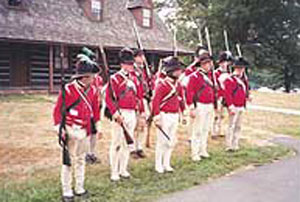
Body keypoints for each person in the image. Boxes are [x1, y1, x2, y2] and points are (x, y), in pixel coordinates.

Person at [53, 55, 100, 202]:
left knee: (80, 160)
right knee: (68, 162)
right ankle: (67, 191)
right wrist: (59, 128)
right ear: (84, 76)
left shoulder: (92, 90)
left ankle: (79, 188)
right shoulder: (68, 89)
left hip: (85, 129)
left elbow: (95, 110)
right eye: (92, 75)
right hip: (70, 128)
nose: (94, 78)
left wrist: (97, 127)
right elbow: (57, 110)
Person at [105, 47, 145, 181]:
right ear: (122, 64)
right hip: (119, 113)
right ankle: (114, 171)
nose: (131, 66)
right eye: (128, 64)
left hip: (132, 113)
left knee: (128, 143)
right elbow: (109, 98)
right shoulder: (115, 78)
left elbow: (140, 96)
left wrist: (142, 113)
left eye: (131, 63)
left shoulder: (136, 78)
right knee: (116, 143)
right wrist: (115, 113)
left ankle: (123, 169)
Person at [152, 56, 185, 173]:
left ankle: (167, 163)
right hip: (164, 115)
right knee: (162, 141)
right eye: (177, 70)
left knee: (171, 140)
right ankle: (158, 164)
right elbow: (155, 101)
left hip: (174, 115)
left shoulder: (178, 85)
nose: (179, 72)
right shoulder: (162, 84)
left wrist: (183, 113)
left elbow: (181, 100)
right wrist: (156, 116)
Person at [186, 54, 215, 162]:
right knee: (197, 130)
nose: (208, 65)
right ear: (201, 64)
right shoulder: (194, 76)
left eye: (209, 63)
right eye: (205, 63)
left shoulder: (211, 77)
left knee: (206, 129)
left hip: (209, 104)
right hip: (199, 105)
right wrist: (191, 107)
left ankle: (203, 149)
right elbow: (189, 92)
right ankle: (195, 153)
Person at [223, 57, 250, 151]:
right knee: (231, 126)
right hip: (233, 106)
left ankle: (235, 144)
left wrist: (247, 97)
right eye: (239, 68)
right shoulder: (229, 79)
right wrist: (230, 106)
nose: (241, 70)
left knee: (238, 126)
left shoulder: (243, 80)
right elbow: (227, 94)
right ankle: (228, 145)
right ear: (235, 68)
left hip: (241, 105)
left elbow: (245, 91)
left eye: (242, 68)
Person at [211, 51, 234, 139]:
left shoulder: (229, 74)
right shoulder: (215, 73)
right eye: (223, 62)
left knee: (223, 115)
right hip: (219, 96)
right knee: (216, 115)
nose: (225, 64)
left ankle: (220, 130)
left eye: (226, 62)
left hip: (226, 96)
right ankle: (214, 131)